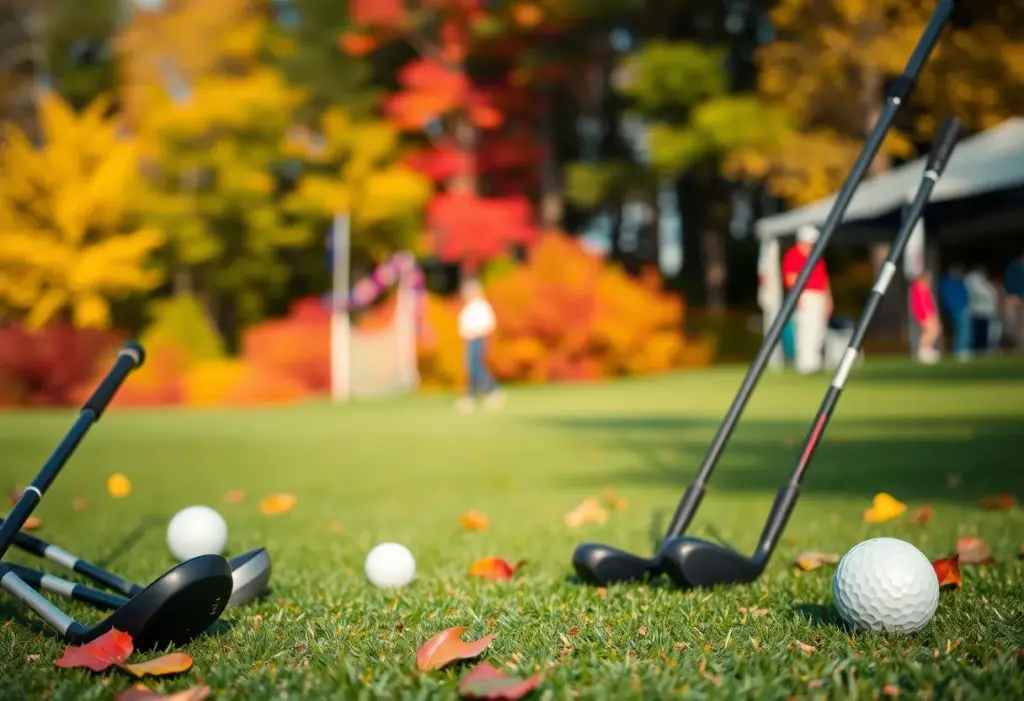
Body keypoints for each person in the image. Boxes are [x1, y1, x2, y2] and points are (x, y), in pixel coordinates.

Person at [782, 224, 832, 374]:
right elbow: (791, 278)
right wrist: (797, 297)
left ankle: (815, 362)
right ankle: (805, 364)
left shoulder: (816, 256)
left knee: (819, 330)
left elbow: (824, 279)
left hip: (819, 295)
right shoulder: (793, 255)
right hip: (805, 295)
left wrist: (828, 299)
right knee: (806, 328)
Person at [456, 278, 504, 413]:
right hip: (469, 340)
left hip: (478, 339)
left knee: (476, 367)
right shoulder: (468, 307)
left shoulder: (481, 306)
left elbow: (488, 324)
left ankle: (490, 390)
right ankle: (472, 395)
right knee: (471, 368)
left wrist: (476, 333)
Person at [939, 263, 971, 361]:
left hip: (961, 307)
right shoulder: (948, 282)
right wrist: (954, 307)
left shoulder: (958, 281)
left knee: (963, 330)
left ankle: (962, 349)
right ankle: (961, 349)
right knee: (962, 330)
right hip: (957, 308)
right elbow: (947, 297)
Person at [964, 265, 998, 354]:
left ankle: (981, 348)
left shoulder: (975, 279)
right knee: (980, 332)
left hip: (981, 310)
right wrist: (991, 293)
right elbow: (985, 293)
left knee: (981, 331)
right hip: (980, 311)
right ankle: (979, 349)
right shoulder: (974, 279)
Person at [909, 272, 941, 364]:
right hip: (925, 314)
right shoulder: (919, 287)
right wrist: (927, 314)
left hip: (929, 313)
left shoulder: (924, 288)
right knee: (930, 331)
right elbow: (921, 304)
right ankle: (923, 350)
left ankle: (927, 349)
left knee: (934, 331)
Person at [1004, 253, 1024, 351]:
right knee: (1015, 323)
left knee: (1019, 323)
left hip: (1017, 296)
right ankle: (1017, 345)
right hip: (1015, 296)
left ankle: (1019, 344)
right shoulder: (1015, 267)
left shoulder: (1016, 267)